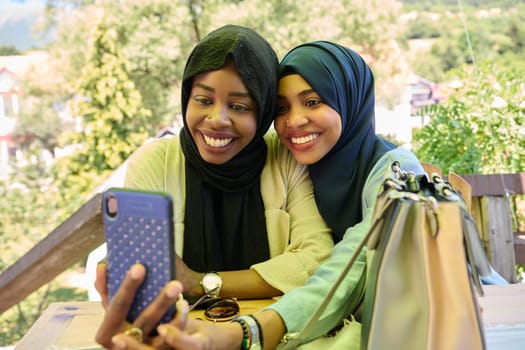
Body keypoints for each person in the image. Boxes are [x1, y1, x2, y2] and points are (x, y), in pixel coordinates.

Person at [101, 40, 426, 350]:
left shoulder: (396, 175)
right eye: (281, 108)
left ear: (349, 99)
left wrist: (239, 329)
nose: (294, 121)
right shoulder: (313, 165)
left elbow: (339, 269)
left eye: (313, 101)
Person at [94, 26, 334, 347]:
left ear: (262, 112)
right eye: (204, 99)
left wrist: (199, 283)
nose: (217, 119)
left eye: (239, 106)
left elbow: (316, 262)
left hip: (268, 338)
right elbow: (143, 272)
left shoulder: (285, 158)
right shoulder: (155, 162)